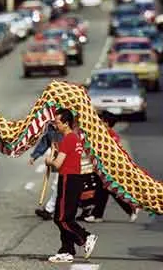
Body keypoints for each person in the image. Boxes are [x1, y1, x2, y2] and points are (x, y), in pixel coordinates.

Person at [44, 108, 98, 263]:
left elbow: (58, 164)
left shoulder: (69, 139)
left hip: (69, 179)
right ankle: (67, 250)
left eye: (58, 122)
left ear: (66, 123)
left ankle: (85, 237)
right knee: (66, 216)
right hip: (74, 179)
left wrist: (49, 161)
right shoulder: (74, 138)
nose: (55, 124)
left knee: (61, 218)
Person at [80, 113, 139, 223]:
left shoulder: (112, 136)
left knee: (109, 189)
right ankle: (97, 215)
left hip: (110, 168)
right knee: (103, 190)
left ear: (106, 123)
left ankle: (130, 207)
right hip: (100, 167)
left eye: (101, 121)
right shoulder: (102, 134)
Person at [29, 123, 62, 220]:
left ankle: (50, 209)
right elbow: (46, 141)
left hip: (70, 160)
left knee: (59, 185)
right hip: (59, 160)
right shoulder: (51, 128)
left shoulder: (70, 127)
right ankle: (50, 209)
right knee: (57, 185)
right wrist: (35, 155)